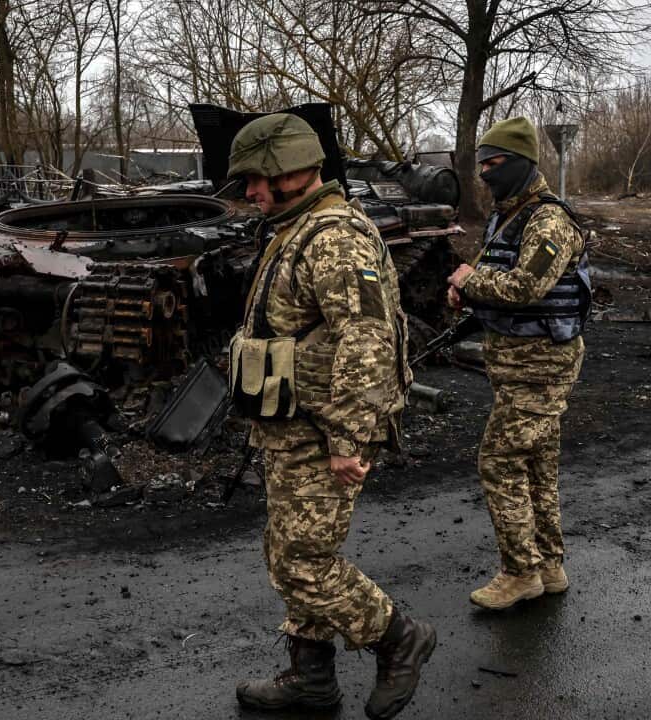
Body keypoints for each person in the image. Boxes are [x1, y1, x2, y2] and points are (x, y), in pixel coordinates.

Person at [227, 113, 435, 720]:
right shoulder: (295, 227)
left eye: (256, 180)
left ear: (290, 169)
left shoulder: (335, 235)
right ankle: (311, 677)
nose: (250, 193)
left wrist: (348, 437)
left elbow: (366, 342)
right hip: (293, 425)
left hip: (324, 431)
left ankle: (399, 638)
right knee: (288, 551)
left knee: (304, 560)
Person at [446, 116, 591, 610]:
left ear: (522, 163)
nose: (485, 172)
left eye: (494, 163)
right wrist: (468, 292)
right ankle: (548, 565)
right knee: (536, 465)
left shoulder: (548, 219)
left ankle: (519, 572)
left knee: (499, 460)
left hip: (540, 365)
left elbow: (529, 286)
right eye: (482, 163)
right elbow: (497, 276)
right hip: (516, 364)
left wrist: (469, 281)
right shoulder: (511, 213)